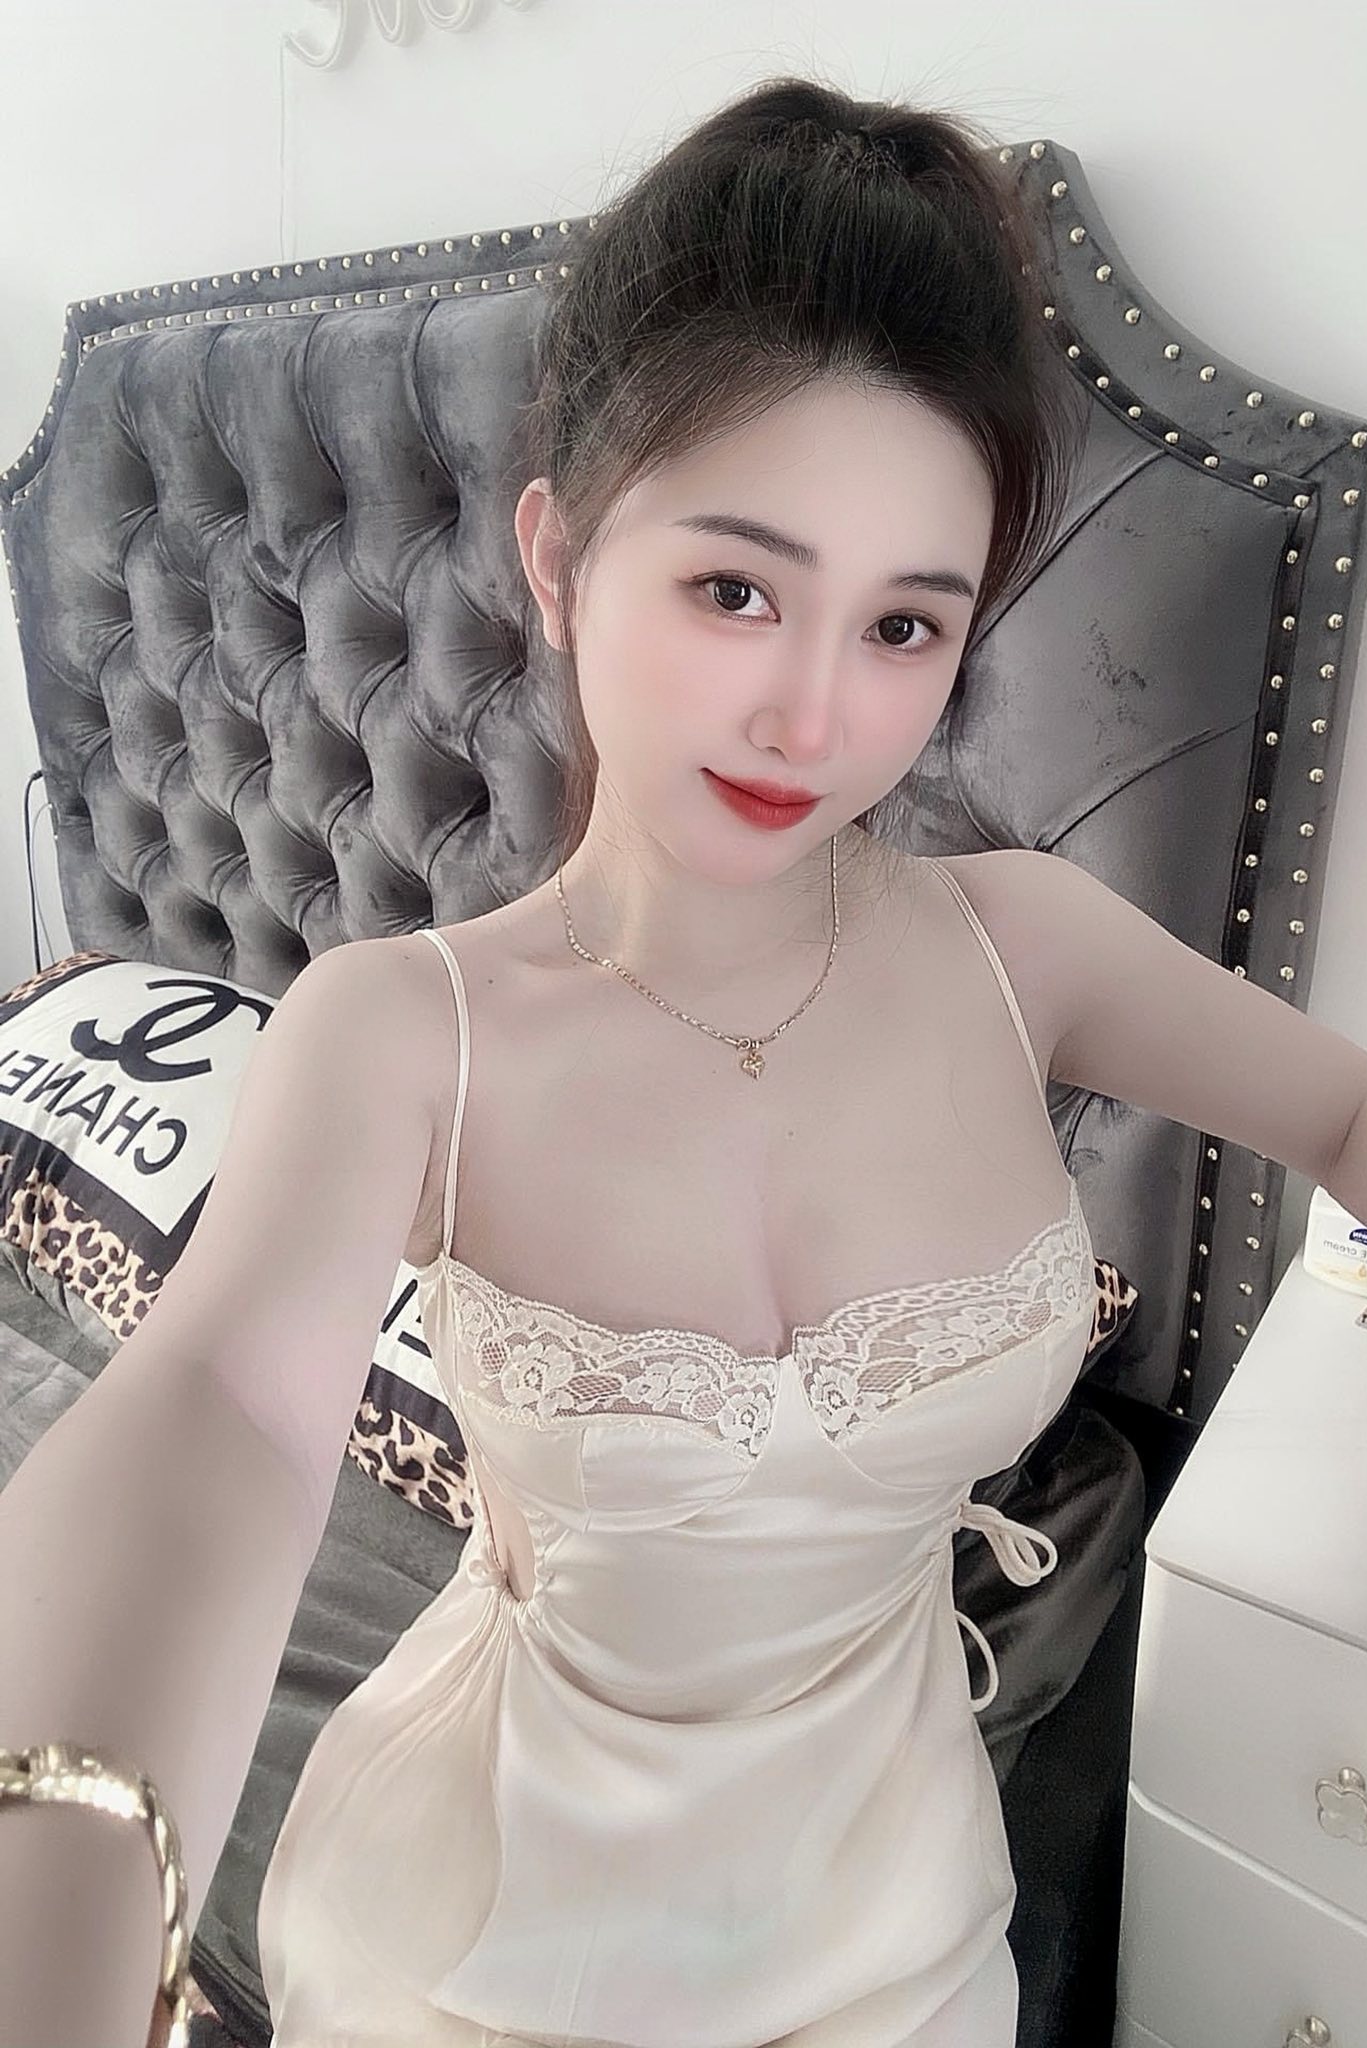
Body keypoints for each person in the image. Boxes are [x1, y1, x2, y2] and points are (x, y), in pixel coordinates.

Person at [1, 70, 1088, 2048]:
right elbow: (224, 1408)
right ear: (562, 562)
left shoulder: (1026, 948)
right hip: (500, 1926)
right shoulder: (400, 1032)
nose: (814, 713)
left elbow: (1366, 1115)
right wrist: (59, 1894)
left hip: (912, 1905)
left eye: (905, 627)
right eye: (736, 588)